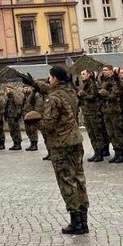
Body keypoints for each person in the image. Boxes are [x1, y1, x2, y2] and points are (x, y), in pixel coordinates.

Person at [42, 66, 88, 235]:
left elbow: (48, 123)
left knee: (66, 180)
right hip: (76, 140)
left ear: (55, 78)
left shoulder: (53, 98)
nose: (48, 80)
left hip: (61, 143)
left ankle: (75, 221)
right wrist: (34, 84)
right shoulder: (71, 92)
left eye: (50, 77)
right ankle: (83, 221)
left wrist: (35, 122)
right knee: (79, 177)